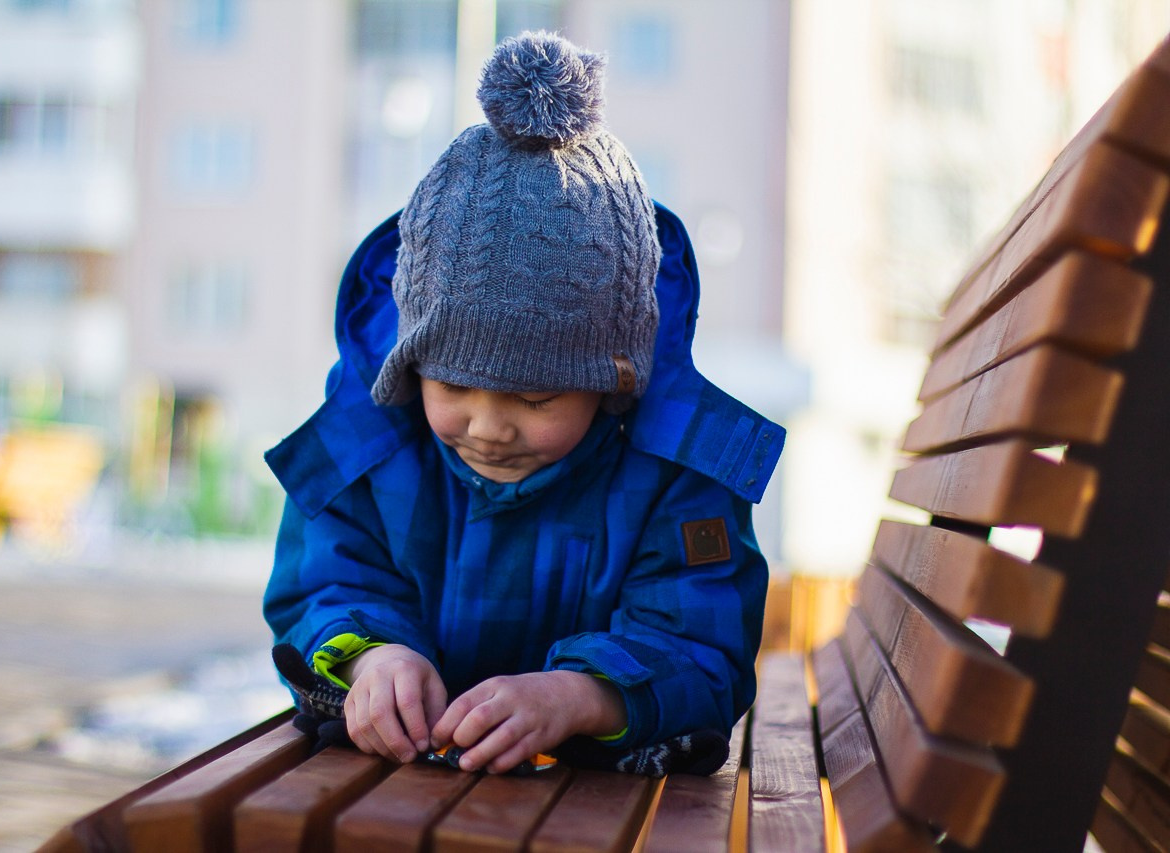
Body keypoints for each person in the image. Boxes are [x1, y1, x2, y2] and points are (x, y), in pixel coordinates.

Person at [263, 31, 784, 778]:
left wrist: (582, 695)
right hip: (412, 772)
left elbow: (702, 646)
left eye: (535, 396)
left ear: (617, 381)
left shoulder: (677, 468)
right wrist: (371, 656)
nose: (487, 425)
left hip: (584, 794)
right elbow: (322, 582)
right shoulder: (367, 439)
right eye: (449, 386)